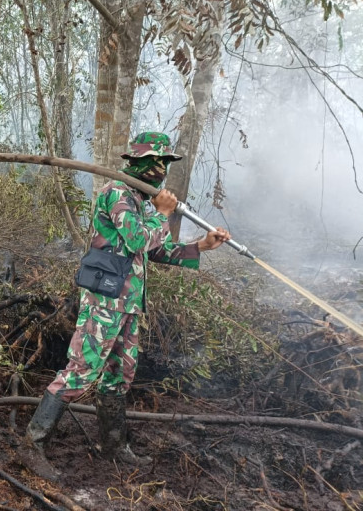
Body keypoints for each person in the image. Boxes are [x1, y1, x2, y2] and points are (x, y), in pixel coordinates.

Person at [21, 132, 232, 479]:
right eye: (157, 161)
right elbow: (137, 239)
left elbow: (153, 250)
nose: (162, 169)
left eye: (165, 162)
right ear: (139, 162)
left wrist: (201, 246)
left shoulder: (138, 200)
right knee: (81, 371)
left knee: (119, 376)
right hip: (105, 301)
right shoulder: (117, 193)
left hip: (128, 304)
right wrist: (163, 213)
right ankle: (32, 444)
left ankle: (113, 446)